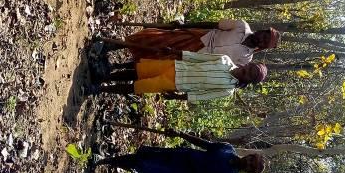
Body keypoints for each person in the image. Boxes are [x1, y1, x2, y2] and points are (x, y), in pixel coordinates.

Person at [93, 129, 266, 173]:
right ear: (250, 155)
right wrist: (181, 135)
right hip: (181, 155)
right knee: (145, 155)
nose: (249, 163)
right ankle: (108, 160)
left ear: (249, 172)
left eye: (252, 167)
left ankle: (105, 161)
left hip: (180, 172)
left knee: (142, 165)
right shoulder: (227, 149)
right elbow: (205, 144)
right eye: (252, 160)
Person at [87, 51, 268, 101]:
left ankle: (100, 89)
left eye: (249, 76)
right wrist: (176, 53)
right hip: (176, 66)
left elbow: (201, 95)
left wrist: (177, 97)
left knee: (137, 86)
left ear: (248, 81)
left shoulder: (227, 90)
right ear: (247, 64)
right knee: (138, 71)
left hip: (175, 83)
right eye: (249, 69)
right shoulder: (225, 59)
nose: (245, 72)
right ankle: (103, 78)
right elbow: (198, 57)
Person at [98, 21, 281, 66]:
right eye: (264, 36)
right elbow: (213, 24)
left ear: (264, 47)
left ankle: (115, 66)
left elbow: (222, 68)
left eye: (265, 42)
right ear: (262, 31)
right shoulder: (241, 26)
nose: (261, 39)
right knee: (156, 39)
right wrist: (184, 26)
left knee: (158, 60)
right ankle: (113, 45)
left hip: (196, 58)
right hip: (197, 38)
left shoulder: (246, 59)